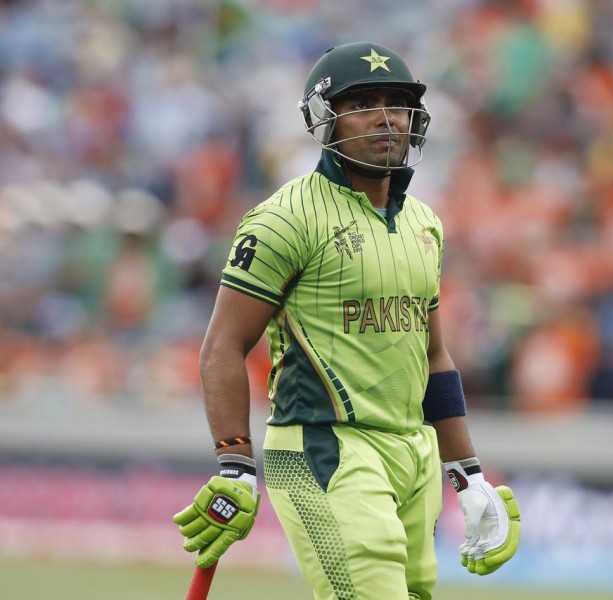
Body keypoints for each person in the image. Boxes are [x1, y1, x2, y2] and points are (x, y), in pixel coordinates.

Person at [172, 41, 520, 600]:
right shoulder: (284, 218)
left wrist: (468, 472)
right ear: (324, 119)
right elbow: (223, 346)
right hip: (323, 448)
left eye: (397, 104)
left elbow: (433, 355)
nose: (386, 118)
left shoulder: (424, 223)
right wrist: (234, 462)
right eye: (361, 104)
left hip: (413, 453)